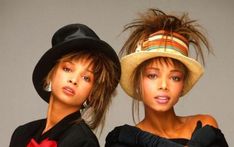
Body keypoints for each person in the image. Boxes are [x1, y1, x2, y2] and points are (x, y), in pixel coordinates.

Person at [105, 8, 228, 147]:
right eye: (152, 75)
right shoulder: (124, 142)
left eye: (175, 78)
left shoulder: (206, 127)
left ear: (182, 86)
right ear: (138, 82)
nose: (163, 85)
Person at [9, 23, 121, 147]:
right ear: (50, 75)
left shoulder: (84, 142)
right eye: (67, 69)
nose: (73, 80)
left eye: (86, 78)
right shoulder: (22, 133)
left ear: (92, 94)